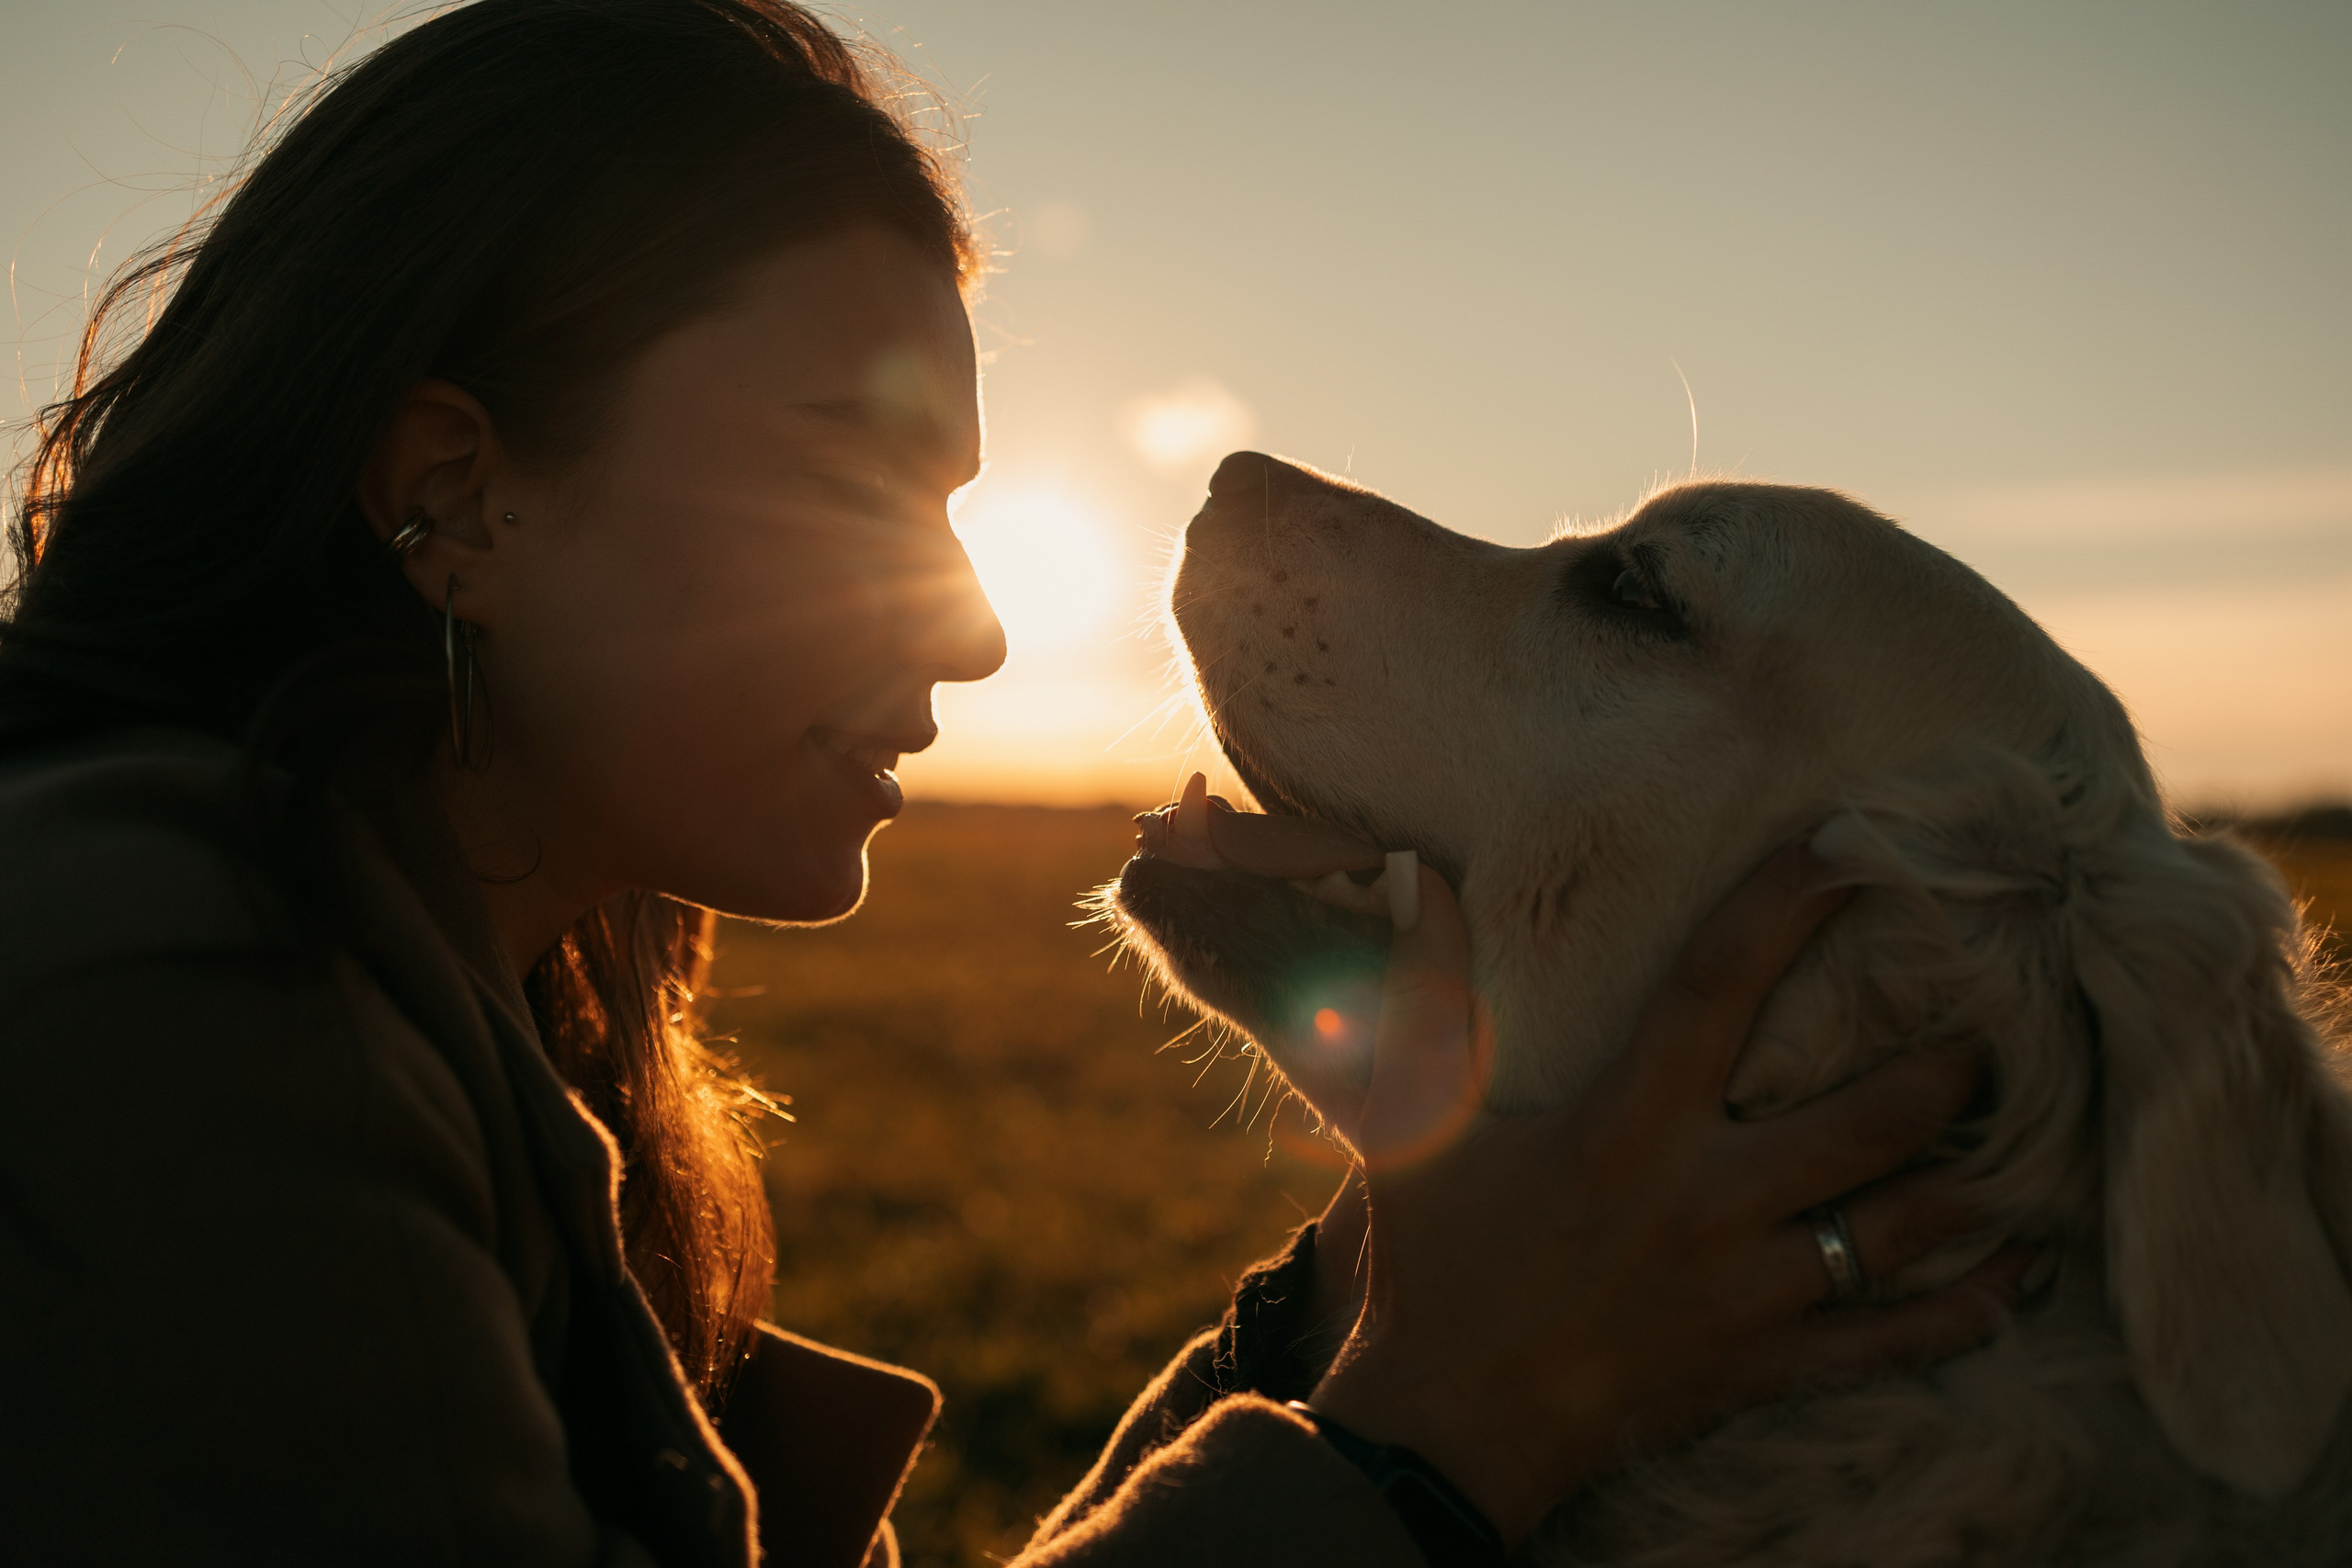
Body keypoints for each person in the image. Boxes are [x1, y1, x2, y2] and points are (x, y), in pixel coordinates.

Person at [0, 3, 2030, 1563]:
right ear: (457, 494)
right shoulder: (170, 980)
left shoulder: (471, 1023)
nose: (972, 632)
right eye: (849, 478)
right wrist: (1445, 1427)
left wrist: (1390, 1269)